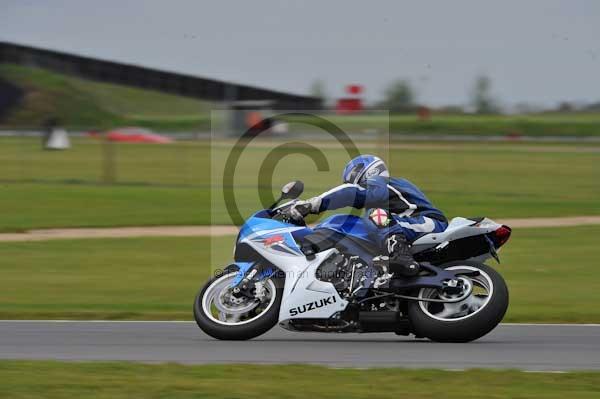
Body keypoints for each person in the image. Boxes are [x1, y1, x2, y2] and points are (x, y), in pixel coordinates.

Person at [291, 154, 448, 277]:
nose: (352, 183)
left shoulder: (382, 182)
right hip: (409, 225)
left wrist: (313, 204)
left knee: (376, 215)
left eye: (352, 178)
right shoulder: (384, 192)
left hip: (429, 222)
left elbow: (352, 193)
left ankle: (402, 256)